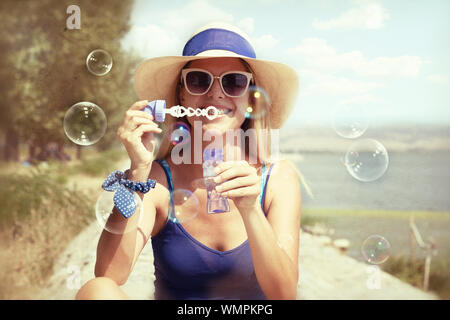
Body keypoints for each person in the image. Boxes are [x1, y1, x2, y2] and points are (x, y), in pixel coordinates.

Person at [76, 22, 301, 300]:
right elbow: (110, 275)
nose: (216, 93)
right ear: (182, 94)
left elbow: (285, 294)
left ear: (251, 98)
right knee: (96, 291)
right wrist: (137, 172)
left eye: (233, 81)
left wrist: (251, 209)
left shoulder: (278, 178)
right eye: (198, 80)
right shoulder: (158, 180)